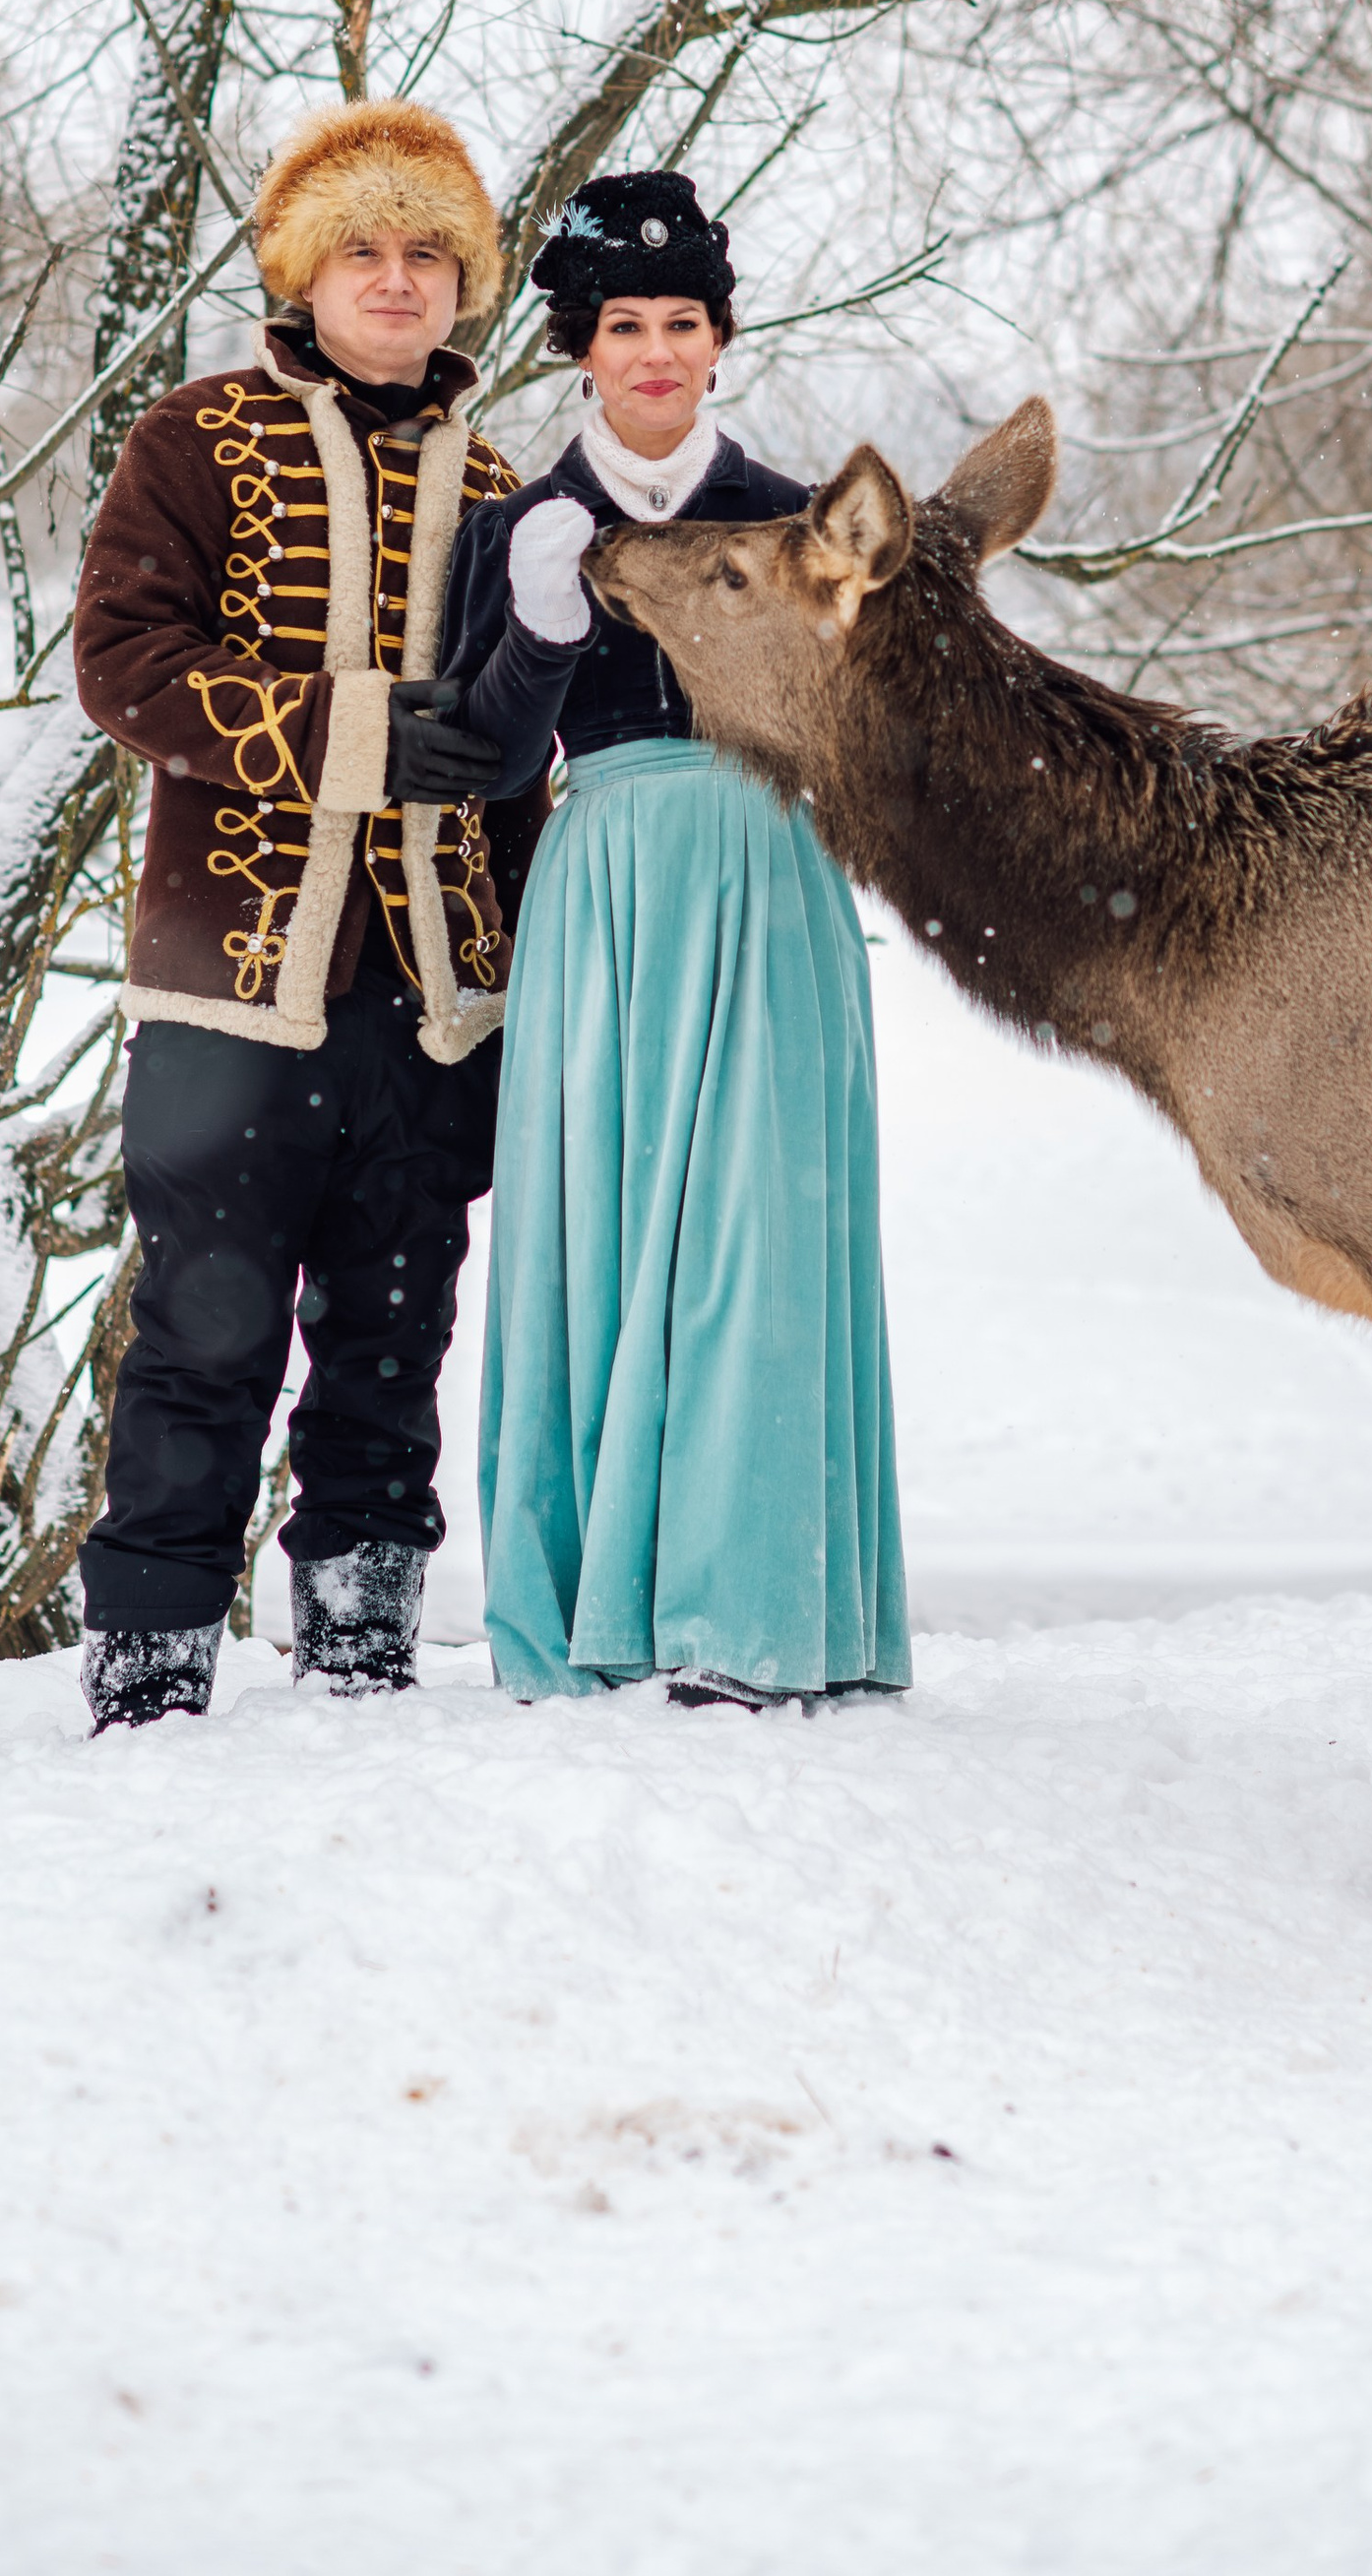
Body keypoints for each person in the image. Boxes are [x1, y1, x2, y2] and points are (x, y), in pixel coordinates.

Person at [69, 97, 530, 1728]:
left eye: (426, 253)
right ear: (304, 272)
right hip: (228, 986)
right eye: (363, 251)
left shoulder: (519, 488)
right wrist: (351, 731)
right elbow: (123, 666)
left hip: (437, 995)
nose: (396, 281)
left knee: (396, 1338)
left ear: (465, 282)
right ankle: (148, 1669)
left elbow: (533, 761)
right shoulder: (194, 440)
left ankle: (360, 1653)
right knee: (202, 1331)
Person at [441, 169, 909, 1707]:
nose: (655, 350)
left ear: (719, 336)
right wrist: (533, 644)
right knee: (600, 1236)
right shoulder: (521, 525)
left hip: (769, 876)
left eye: (683, 321)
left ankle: (747, 1616)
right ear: (581, 342)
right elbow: (491, 768)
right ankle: (590, 1608)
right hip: (606, 887)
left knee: (757, 1239)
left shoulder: (790, 515)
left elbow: (869, 739)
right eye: (624, 323)